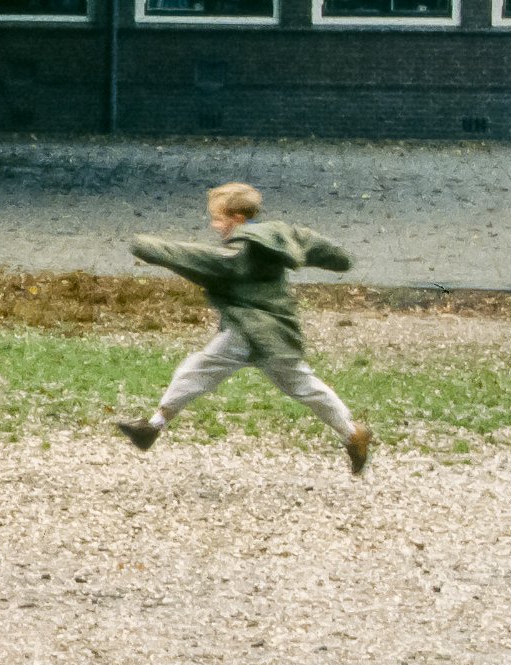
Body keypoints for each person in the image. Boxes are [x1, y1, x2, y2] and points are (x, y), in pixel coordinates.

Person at [115, 181, 373, 475]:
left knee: (199, 370)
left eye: (218, 219)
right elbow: (315, 245)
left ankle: (152, 427)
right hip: (269, 331)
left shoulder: (241, 252)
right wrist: (340, 259)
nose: (215, 226)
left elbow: (208, 260)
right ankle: (352, 433)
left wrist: (150, 248)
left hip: (253, 331)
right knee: (301, 385)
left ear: (237, 218)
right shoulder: (278, 235)